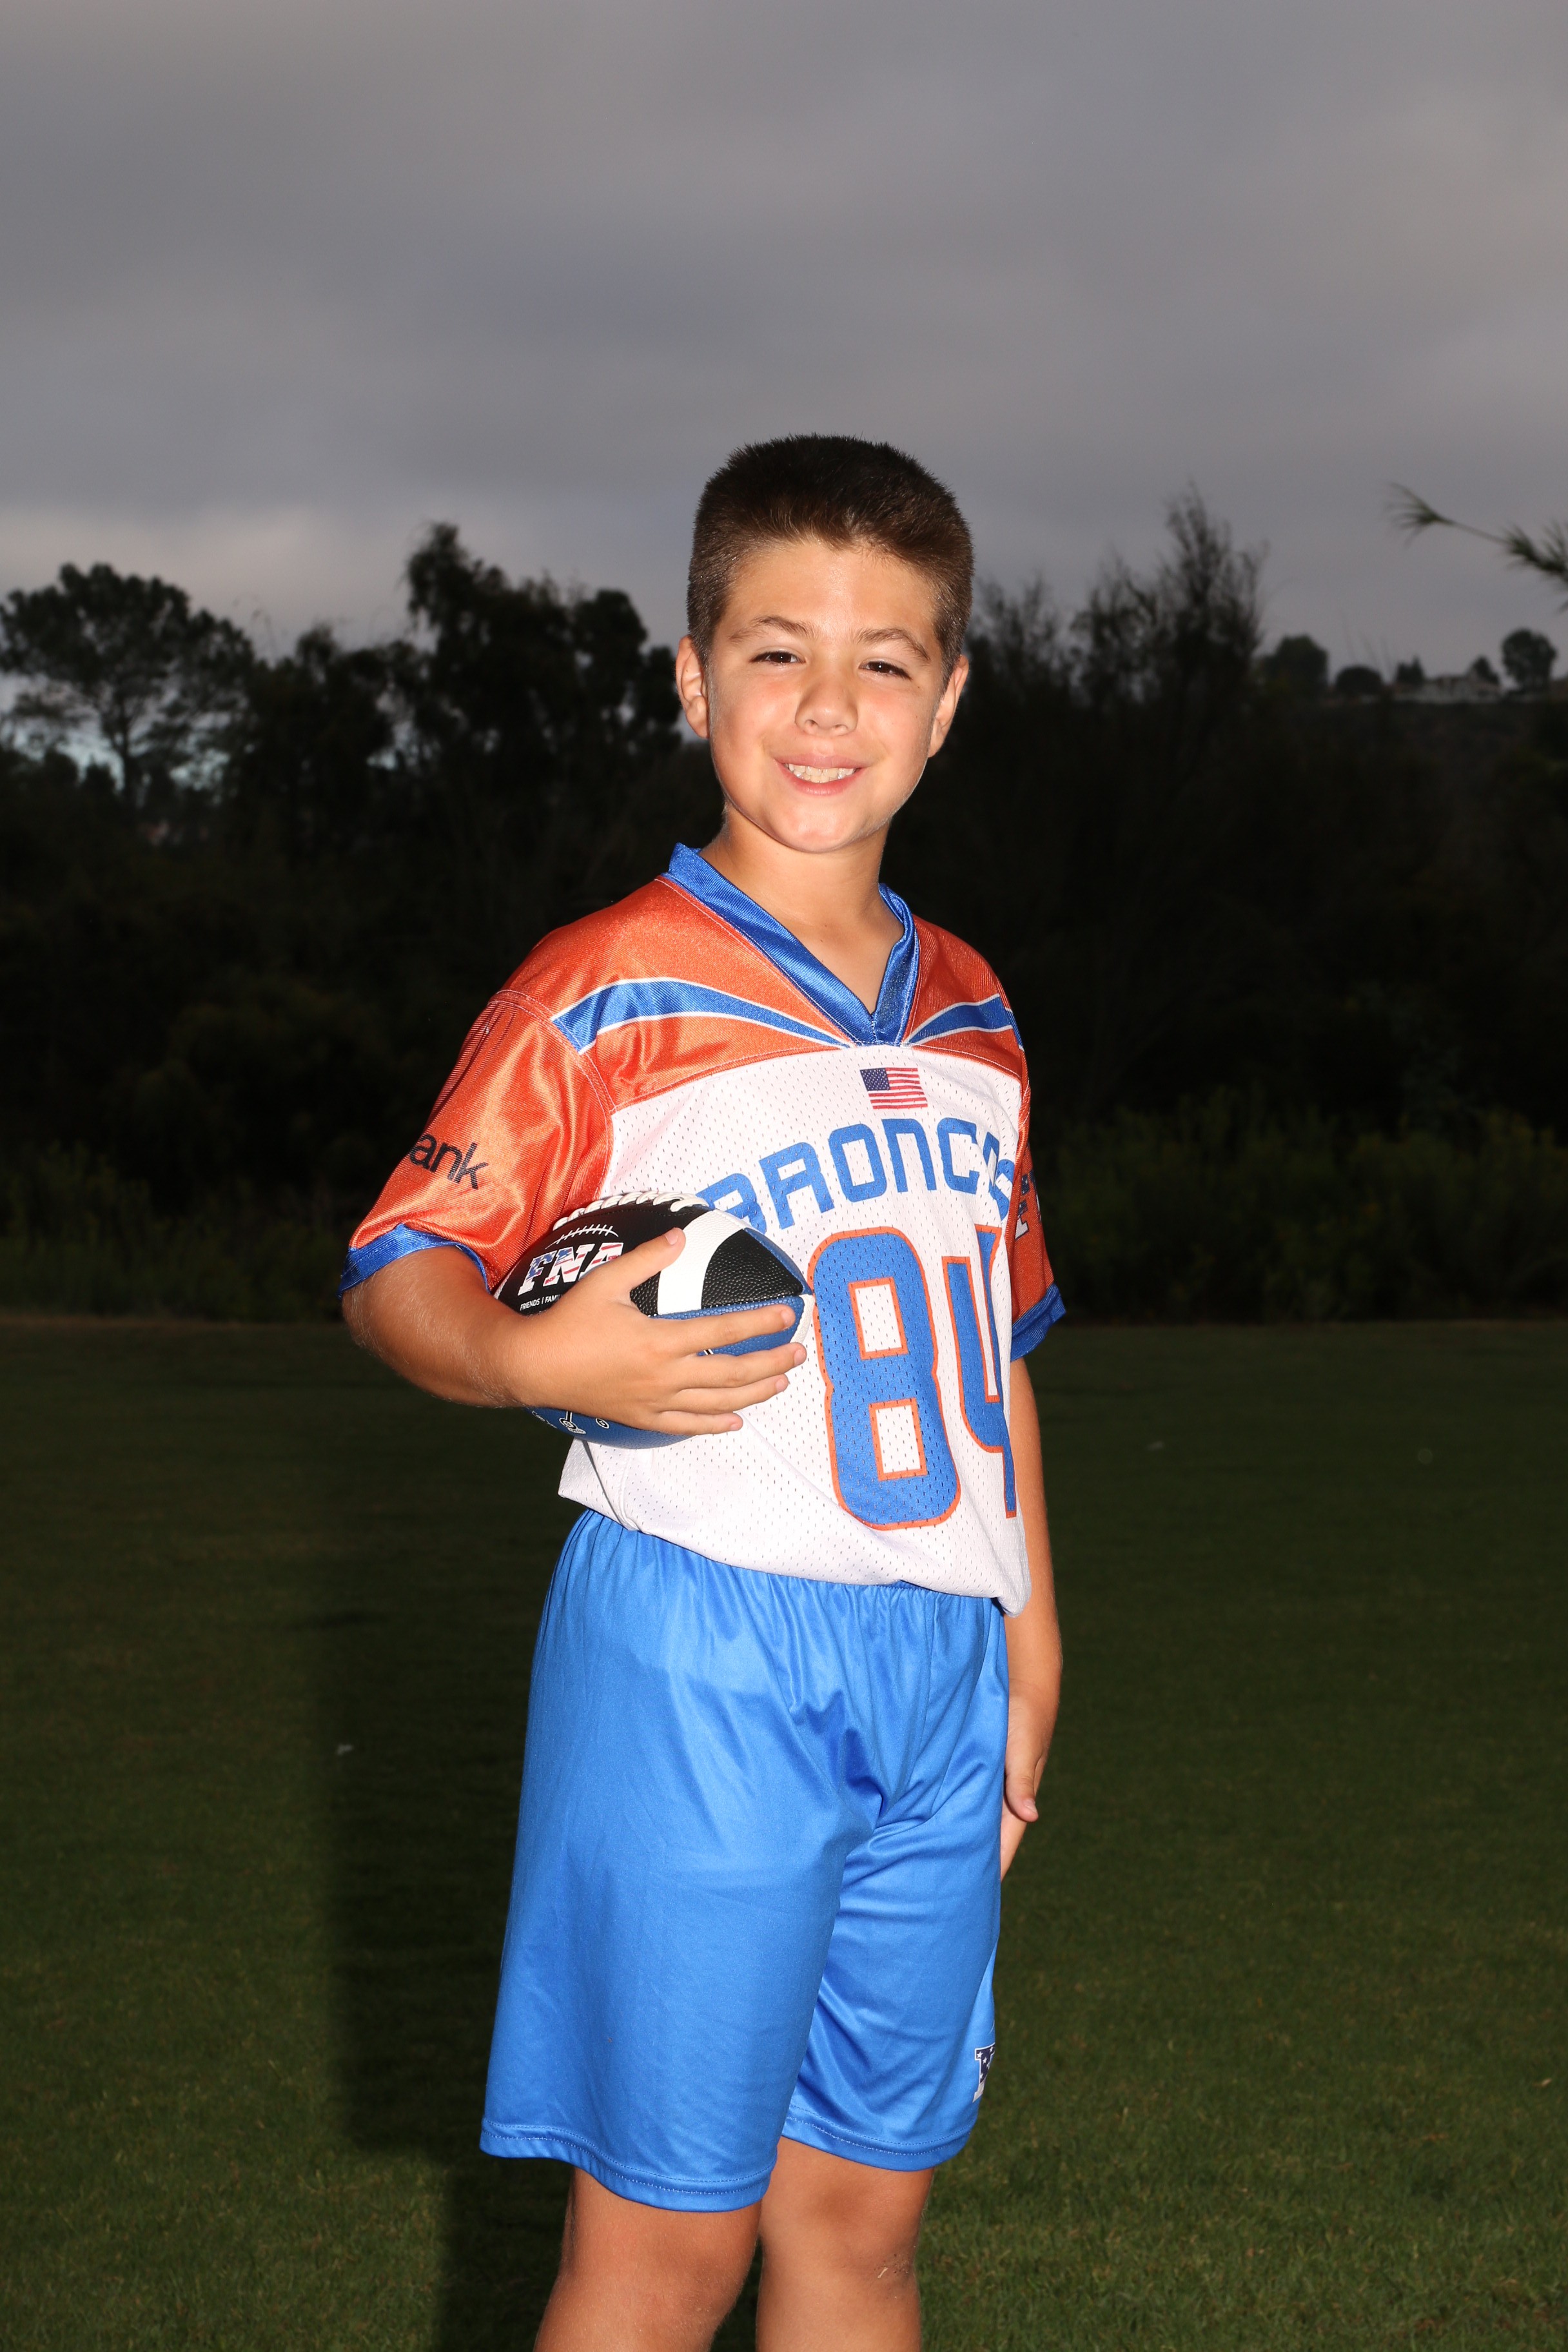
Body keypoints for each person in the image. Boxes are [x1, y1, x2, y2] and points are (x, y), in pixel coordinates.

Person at [341, 435, 1064, 2351]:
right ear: (691, 677)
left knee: (864, 2229)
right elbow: (399, 1265)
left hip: (938, 1664)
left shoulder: (978, 1008)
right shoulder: (606, 989)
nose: (828, 707)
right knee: (669, 2249)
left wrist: (1031, 1628)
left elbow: (992, 1344)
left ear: (948, 701)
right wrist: (521, 1355)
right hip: (700, 1654)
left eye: (883, 661)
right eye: (775, 652)